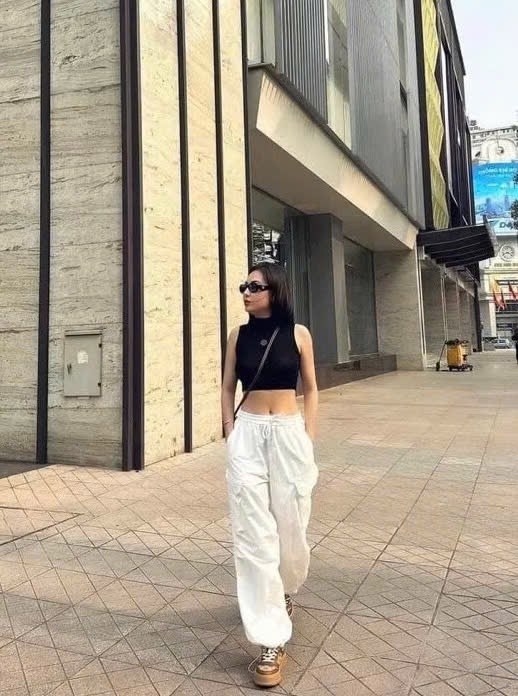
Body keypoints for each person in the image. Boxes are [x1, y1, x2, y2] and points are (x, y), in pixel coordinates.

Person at [221, 262, 319, 688]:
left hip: (288, 433)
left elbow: (311, 388)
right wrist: (231, 431)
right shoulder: (237, 336)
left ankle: (283, 589)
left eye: (254, 286)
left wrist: (307, 435)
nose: (246, 292)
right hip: (248, 434)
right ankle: (270, 639)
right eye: (244, 286)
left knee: (291, 525)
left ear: (274, 290)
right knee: (253, 533)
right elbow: (227, 386)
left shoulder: (299, 334)